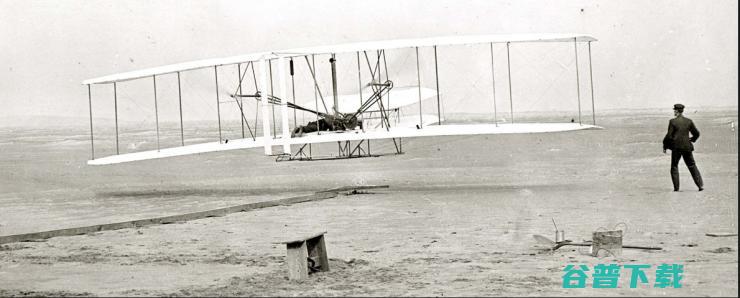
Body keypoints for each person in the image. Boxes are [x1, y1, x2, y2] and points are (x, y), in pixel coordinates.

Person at [662, 103, 704, 191]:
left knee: (674, 166)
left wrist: (665, 146)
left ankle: (676, 188)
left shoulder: (672, 121)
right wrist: (692, 139)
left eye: (674, 110)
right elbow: (697, 133)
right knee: (692, 165)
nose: (674, 111)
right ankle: (700, 186)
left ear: (677, 111)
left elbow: (669, 136)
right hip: (687, 147)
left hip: (676, 148)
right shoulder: (689, 121)